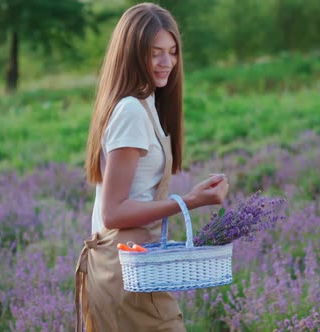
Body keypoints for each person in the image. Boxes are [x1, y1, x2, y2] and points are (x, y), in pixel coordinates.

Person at [75, 2, 229, 331]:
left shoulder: (145, 104)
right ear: (132, 54)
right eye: (155, 52)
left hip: (136, 264)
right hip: (124, 268)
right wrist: (189, 201)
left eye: (172, 52)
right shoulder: (131, 110)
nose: (167, 62)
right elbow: (113, 212)